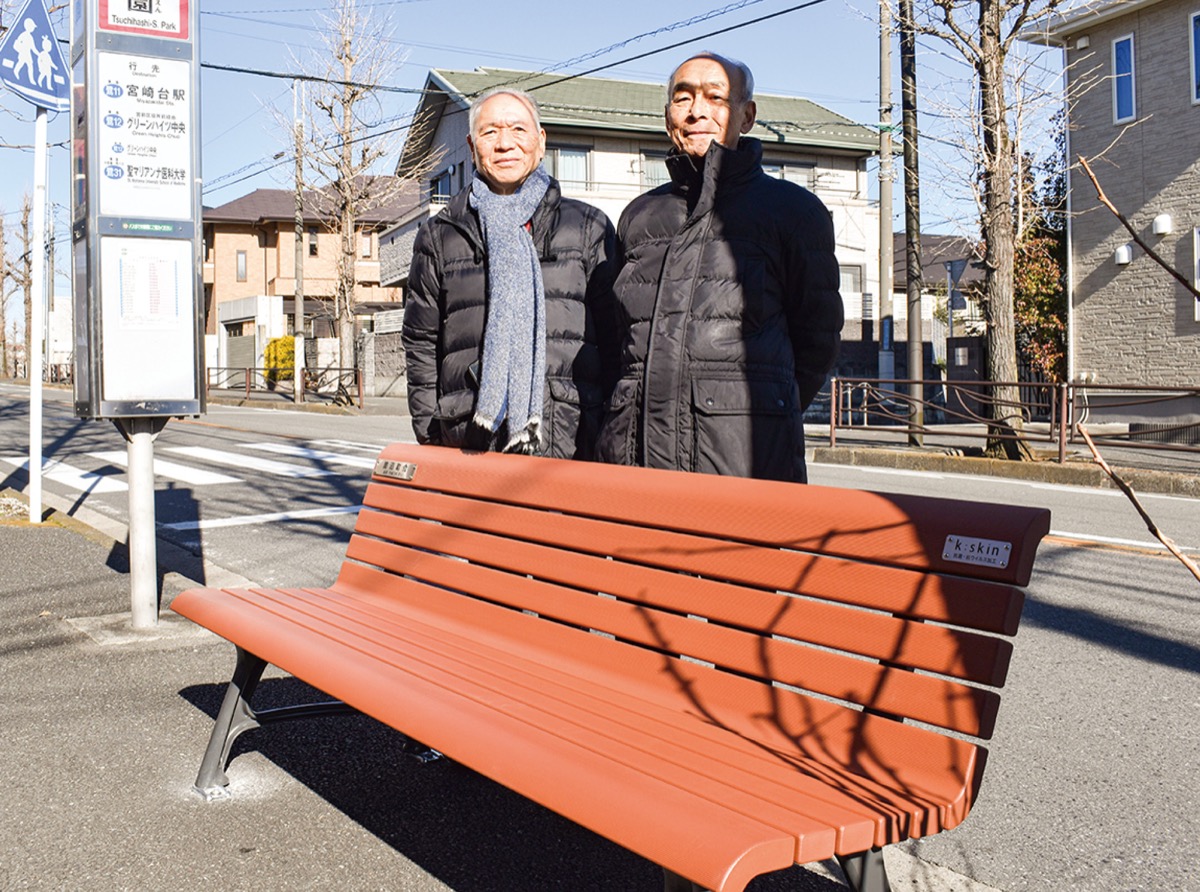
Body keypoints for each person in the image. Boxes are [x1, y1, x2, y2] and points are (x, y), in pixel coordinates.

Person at [595, 52, 844, 482]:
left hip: (746, 458)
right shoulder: (639, 216)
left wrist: (758, 407)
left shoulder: (793, 211)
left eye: (715, 97)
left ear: (746, 116)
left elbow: (816, 341)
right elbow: (620, 340)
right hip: (631, 456)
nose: (697, 111)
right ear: (667, 114)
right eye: (683, 97)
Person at [403, 88, 617, 459]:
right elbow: (420, 341)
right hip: (468, 440)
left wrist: (606, 432)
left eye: (518, 130)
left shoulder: (587, 227)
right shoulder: (441, 235)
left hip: (568, 441)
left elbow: (617, 341)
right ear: (472, 147)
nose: (505, 144)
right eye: (490, 132)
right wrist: (431, 432)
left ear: (540, 141)